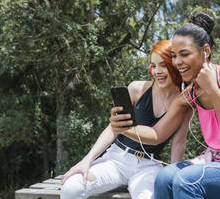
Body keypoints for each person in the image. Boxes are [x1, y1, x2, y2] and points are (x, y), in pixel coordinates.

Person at [110, 12, 220, 199]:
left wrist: (213, 89)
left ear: (205, 52)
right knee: (164, 177)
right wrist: (126, 128)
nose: (177, 62)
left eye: (185, 54)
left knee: (187, 181)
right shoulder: (190, 94)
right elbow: (157, 134)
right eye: (174, 56)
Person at [60, 40, 191, 199]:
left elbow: (178, 143)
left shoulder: (185, 104)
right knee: (71, 188)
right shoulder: (137, 88)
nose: (157, 71)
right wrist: (87, 159)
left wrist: (173, 176)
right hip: (115, 160)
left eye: (163, 65)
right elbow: (113, 128)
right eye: (153, 65)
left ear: (174, 66)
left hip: (148, 167)